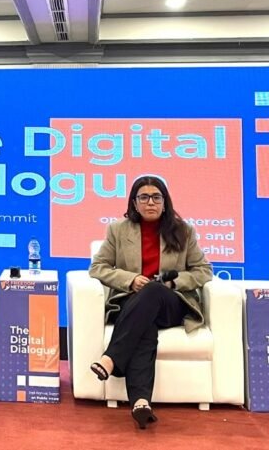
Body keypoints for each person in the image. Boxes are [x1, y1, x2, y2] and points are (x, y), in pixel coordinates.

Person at [88, 175, 213, 429]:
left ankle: (111, 358)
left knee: (153, 290)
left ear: (165, 202)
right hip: (132, 303)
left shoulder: (183, 231)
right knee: (145, 327)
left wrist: (173, 283)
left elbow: (203, 271)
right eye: (143, 197)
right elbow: (98, 267)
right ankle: (141, 402)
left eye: (156, 197)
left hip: (171, 302)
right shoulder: (118, 230)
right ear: (134, 203)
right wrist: (130, 280)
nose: (150, 202)